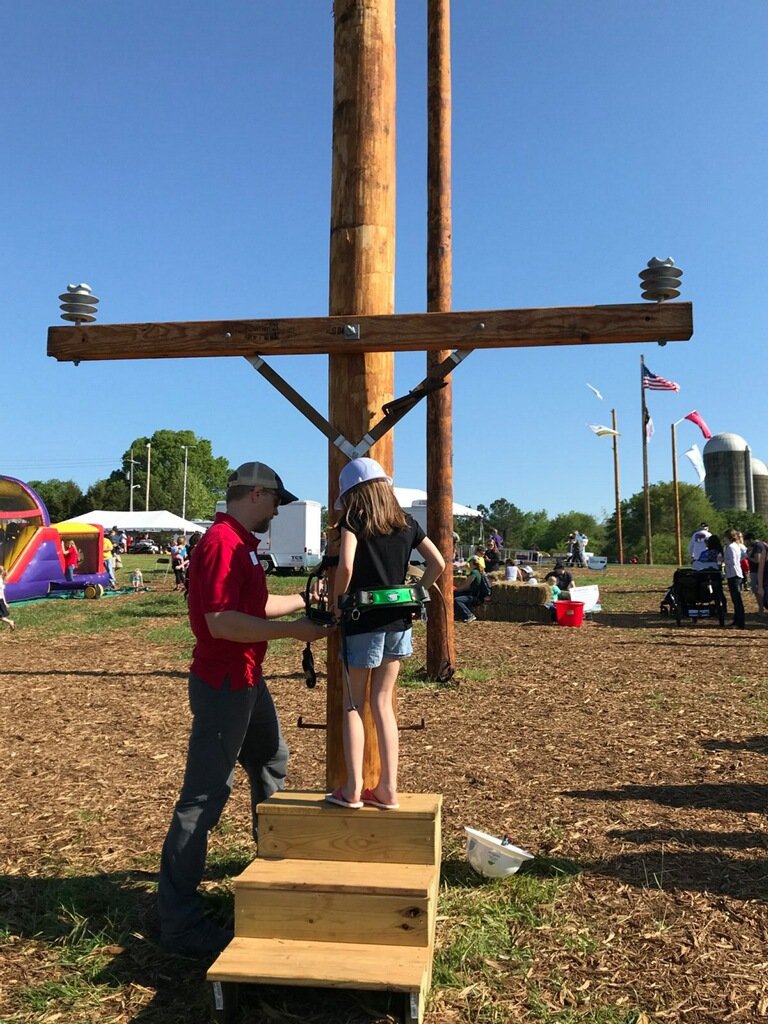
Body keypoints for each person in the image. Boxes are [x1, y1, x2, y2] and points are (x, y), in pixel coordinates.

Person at [157, 461, 332, 957]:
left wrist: (302, 598)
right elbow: (221, 621)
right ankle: (180, 924)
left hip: (247, 680)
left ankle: (271, 859)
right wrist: (293, 633)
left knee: (271, 758)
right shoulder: (222, 544)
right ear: (256, 494)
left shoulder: (241, 544)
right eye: (276, 500)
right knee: (203, 797)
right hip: (225, 684)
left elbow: (251, 609)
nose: (278, 510)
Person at [329, 458, 444, 811]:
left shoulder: (353, 521)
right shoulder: (407, 524)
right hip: (399, 622)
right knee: (383, 703)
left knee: (353, 703)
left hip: (362, 621)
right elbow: (438, 563)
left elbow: (346, 565)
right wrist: (417, 592)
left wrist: (337, 603)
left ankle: (352, 789)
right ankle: (388, 790)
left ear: (352, 494)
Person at [723, 529, 745, 628]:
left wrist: (724, 560)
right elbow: (742, 556)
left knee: (737, 599)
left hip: (734, 574)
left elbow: (732, 561)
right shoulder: (736, 546)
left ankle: (740, 622)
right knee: (735, 599)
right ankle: (737, 620)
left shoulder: (731, 547)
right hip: (735, 573)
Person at [454, 556, 486, 622]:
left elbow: (466, 586)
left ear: (471, 563)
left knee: (457, 600)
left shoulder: (474, 572)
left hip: (473, 596)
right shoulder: (478, 572)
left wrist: (456, 590)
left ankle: (469, 615)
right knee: (456, 595)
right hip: (474, 595)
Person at [744, 532, 767, 613]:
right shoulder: (760, 545)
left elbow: (758, 560)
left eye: (747, 541)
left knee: (757, 591)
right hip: (759, 571)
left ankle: (761, 609)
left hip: (756, 571)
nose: (746, 543)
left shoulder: (757, 546)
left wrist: (748, 557)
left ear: (750, 539)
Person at [0, 565, 15, 630]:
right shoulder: (1, 580)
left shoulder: (0, 580)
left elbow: (1, 592)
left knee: (0, 616)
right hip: (0, 599)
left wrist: (4, 602)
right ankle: (10, 622)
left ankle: (10, 622)